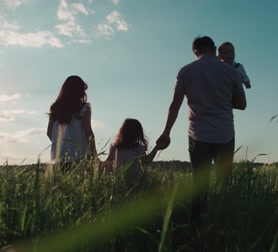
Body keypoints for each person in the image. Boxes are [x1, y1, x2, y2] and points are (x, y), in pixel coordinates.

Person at [156, 36, 247, 226]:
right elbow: (242, 104)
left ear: (195, 52)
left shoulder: (186, 71)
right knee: (225, 181)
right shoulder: (231, 71)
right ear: (214, 49)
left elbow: (175, 105)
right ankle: (225, 224)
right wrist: (221, 98)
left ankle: (197, 225)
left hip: (198, 135)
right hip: (225, 134)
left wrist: (166, 133)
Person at [47, 75, 98, 171]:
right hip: (80, 156)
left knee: (61, 185)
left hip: (58, 157)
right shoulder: (84, 108)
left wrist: (62, 145)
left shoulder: (55, 108)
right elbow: (88, 131)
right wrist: (95, 154)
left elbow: (49, 133)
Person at [104, 118, 162, 186]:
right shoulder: (138, 148)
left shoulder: (115, 148)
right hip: (134, 181)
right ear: (137, 133)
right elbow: (146, 161)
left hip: (118, 181)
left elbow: (106, 164)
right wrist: (157, 147)